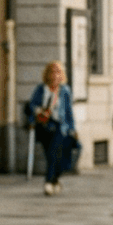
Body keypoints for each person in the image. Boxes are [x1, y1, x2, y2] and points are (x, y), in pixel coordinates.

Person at [25, 61, 76, 195]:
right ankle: (55, 181)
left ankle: (48, 182)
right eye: (52, 72)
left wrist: (73, 129)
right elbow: (31, 105)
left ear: (61, 75)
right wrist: (38, 111)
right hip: (44, 125)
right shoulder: (41, 89)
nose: (54, 75)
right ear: (47, 74)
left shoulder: (65, 91)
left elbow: (69, 111)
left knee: (55, 152)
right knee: (50, 155)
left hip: (60, 125)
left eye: (58, 72)